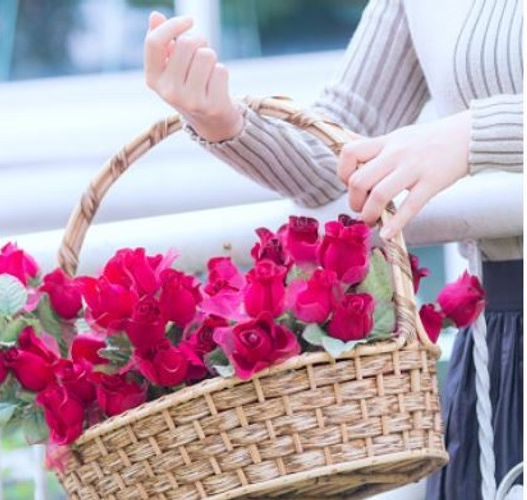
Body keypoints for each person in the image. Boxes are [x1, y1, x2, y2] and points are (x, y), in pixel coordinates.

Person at [143, 2, 523, 499]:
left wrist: (472, 135)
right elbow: (338, 156)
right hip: (502, 336)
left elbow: (451, 140)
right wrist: (222, 120)